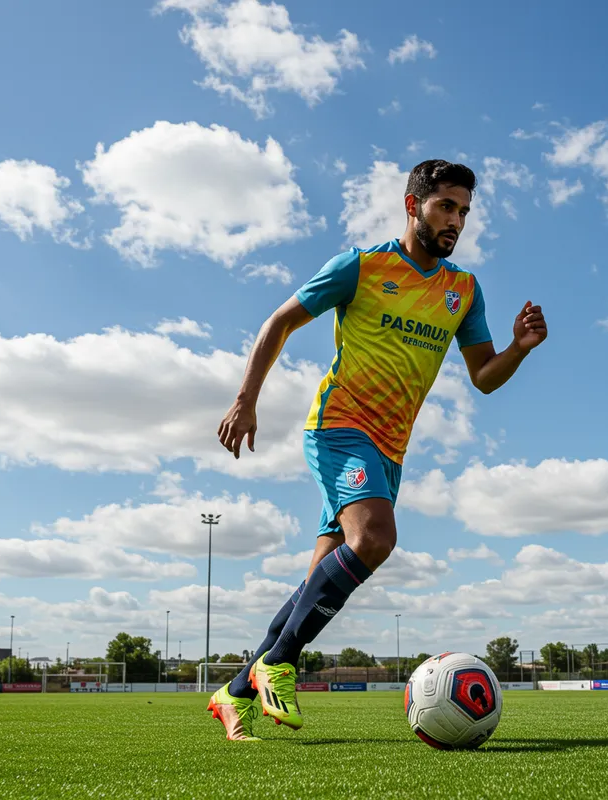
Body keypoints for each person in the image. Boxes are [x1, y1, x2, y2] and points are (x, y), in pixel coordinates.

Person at [207, 159, 548, 741]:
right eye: (446, 207)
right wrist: (246, 400)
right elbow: (279, 322)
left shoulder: (463, 291)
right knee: (375, 539)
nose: (457, 221)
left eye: (464, 211)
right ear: (413, 206)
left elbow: (484, 377)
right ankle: (277, 663)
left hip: (390, 451)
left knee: (317, 583)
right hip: (339, 427)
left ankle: (234, 692)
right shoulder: (361, 267)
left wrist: (519, 348)